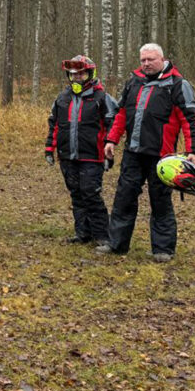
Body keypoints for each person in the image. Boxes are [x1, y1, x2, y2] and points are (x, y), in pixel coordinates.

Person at [99, 43, 195, 262]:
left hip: (162, 157)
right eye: (143, 60)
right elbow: (121, 114)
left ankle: (163, 249)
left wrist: (193, 150)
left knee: (160, 202)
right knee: (124, 198)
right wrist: (111, 140)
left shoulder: (178, 84)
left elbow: (189, 119)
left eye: (151, 60)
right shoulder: (133, 82)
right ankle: (116, 244)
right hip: (133, 153)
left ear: (162, 59)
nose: (146, 64)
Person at [45, 55, 117, 247]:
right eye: (73, 74)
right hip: (67, 155)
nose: (77, 77)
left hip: (92, 156)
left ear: (90, 74)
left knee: (91, 194)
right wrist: (49, 148)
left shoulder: (102, 97)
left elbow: (112, 125)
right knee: (76, 194)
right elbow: (54, 125)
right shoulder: (62, 98)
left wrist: (109, 149)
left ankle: (102, 235)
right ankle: (82, 233)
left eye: (81, 74)